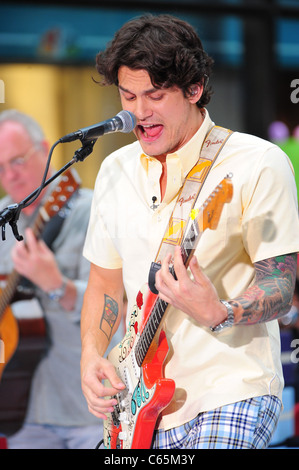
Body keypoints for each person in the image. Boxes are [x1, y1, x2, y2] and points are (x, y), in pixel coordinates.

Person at [80, 14, 299, 449]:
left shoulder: (256, 162)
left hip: (232, 388)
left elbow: (282, 282)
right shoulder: (113, 171)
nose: (139, 113)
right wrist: (90, 354)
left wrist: (221, 312)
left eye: (155, 96)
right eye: (129, 96)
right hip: (138, 404)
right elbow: (105, 284)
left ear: (194, 88)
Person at [0, 109, 117, 449]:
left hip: (87, 409)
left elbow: (118, 307)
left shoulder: (94, 211)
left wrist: (56, 284)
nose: (11, 174)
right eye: (1, 167)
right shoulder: (3, 220)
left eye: (18, 160)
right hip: (22, 408)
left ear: (45, 147)